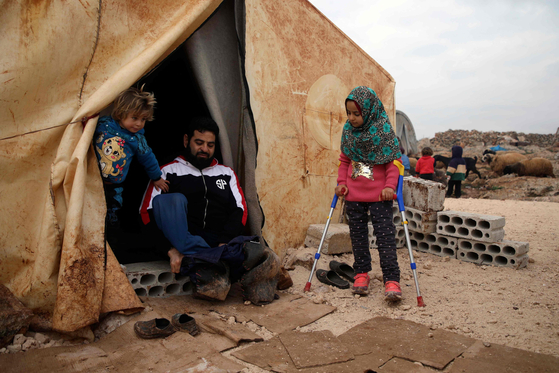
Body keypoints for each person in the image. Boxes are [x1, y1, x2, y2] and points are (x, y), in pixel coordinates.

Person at [139, 117, 280, 304]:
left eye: (210, 145)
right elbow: (146, 213)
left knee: (262, 254)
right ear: (186, 140)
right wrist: (170, 249)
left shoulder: (226, 173)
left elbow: (240, 210)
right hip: (185, 248)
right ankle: (220, 266)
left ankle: (224, 262)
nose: (204, 149)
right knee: (173, 201)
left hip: (220, 244)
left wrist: (223, 243)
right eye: (199, 143)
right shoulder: (166, 172)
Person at [335, 86, 403, 302]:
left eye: (357, 113)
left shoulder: (383, 131)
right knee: (358, 238)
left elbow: (393, 162)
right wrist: (341, 183)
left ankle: (391, 279)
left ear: (370, 111)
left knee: (385, 239)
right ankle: (361, 273)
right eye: (349, 113)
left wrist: (390, 187)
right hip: (354, 197)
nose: (351, 118)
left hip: (379, 197)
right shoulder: (349, 132)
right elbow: (345, 161)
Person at [94, 86, 169, 228]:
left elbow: (148, 158)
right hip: (92, 180)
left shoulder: (137, 139)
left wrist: (157, 177)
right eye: (134, 118)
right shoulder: (103, 125)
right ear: (121, 113)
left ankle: (112, 234)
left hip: (115, 186)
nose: (139, 123)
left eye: (143, 119)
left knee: (113, 210)